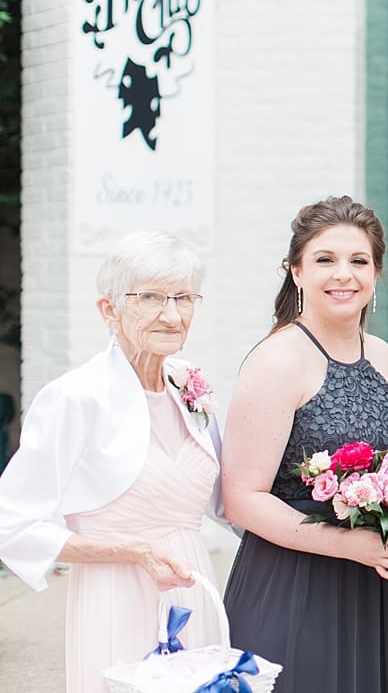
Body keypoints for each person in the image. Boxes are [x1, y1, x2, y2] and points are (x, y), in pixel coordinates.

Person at [0, 231, 226, 692]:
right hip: (117, 595)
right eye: (150, 297)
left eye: (184, 297)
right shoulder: (74, 398)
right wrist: (133, 552)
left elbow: (229, 503)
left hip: (194, 587)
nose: (171, 314)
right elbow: (12, 524)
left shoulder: (188, 387)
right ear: (109, 310)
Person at [221, 196, 388, 692]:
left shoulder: (382, 355)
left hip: (374, 585)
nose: (343, 275)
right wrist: (347, 544)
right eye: (325, 259)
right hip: (296, 582)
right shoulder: (279, 360)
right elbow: (242, 499)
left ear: (377, 273)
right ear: (296, 271)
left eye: (358, 261)